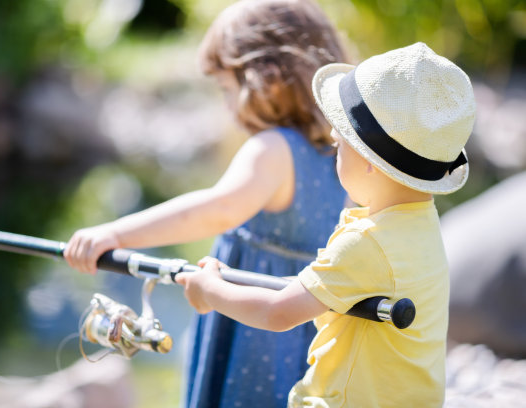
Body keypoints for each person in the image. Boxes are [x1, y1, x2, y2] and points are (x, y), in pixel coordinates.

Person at [64, 1, 349, 407]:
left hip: (254, 332)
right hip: (311, 328)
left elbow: (213, 210)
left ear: (265, 81)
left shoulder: (272, 149)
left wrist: (114, 233)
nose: (226, 104)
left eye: (226, 89)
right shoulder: (344, 156)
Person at [176, 42, 476, 407]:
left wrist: (210, 291)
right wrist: (231, 279)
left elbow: (279, 312)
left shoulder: (367, 243)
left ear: (369, 161)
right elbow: (319, 287)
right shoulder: (422, 226)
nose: (335, 153)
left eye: (338, 145)